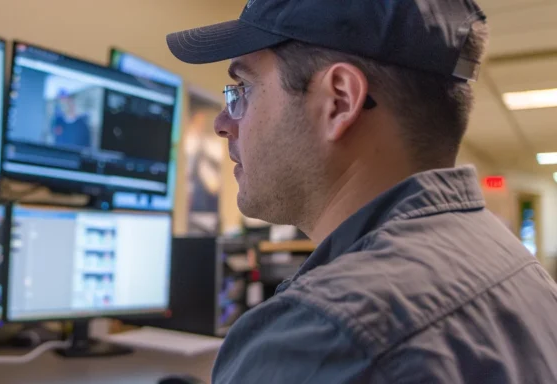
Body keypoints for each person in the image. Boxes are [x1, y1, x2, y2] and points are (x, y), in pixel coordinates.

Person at [166, 0, 557, 382]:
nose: (222, 123)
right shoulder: (520, 269)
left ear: (339, 99)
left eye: (242, 89)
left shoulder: (322, 338)